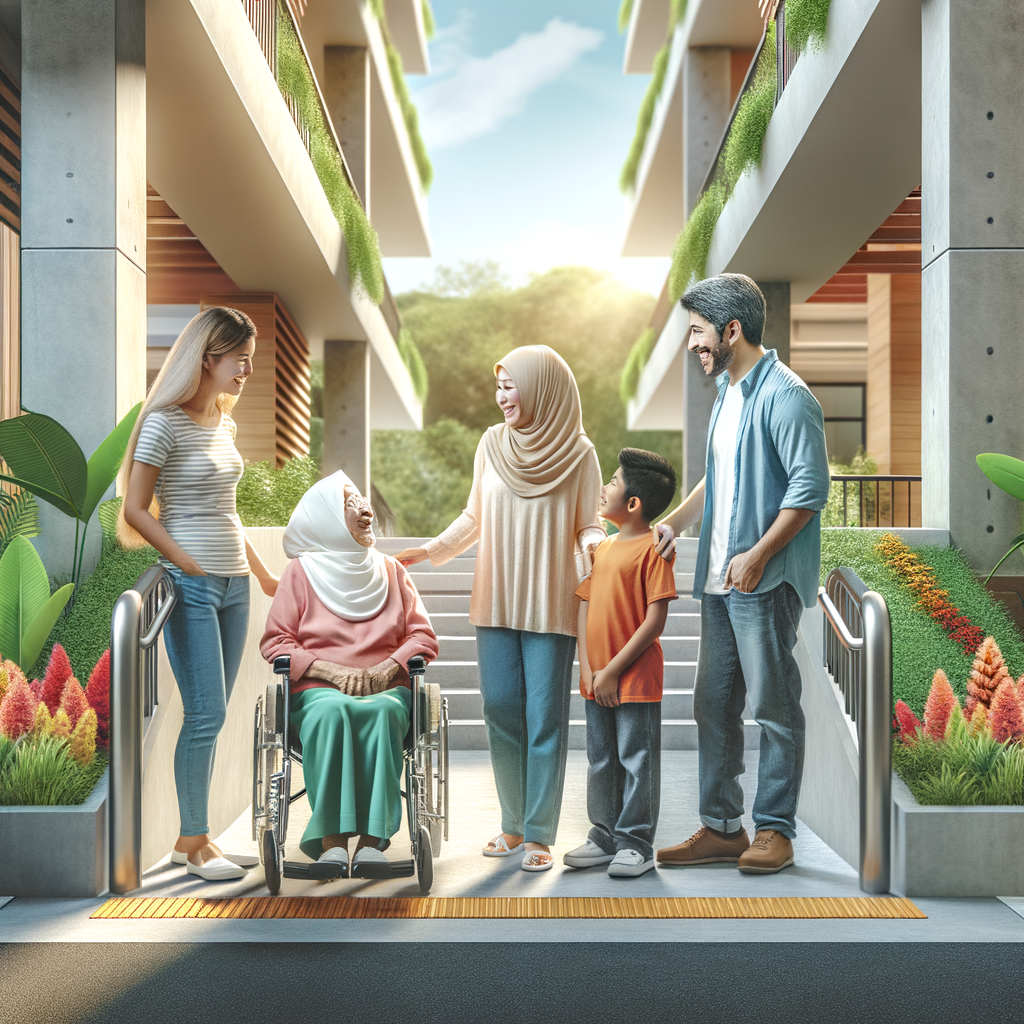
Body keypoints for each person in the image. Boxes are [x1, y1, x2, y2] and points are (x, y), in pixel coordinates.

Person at [396, 345, 604, 872]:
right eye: (499, 387)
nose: (502, 397)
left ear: (542, 388)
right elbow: (475, 515)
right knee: (501, 710)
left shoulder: (580, 454)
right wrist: (432, 549)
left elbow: (588, 524)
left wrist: (596, 549)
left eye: (511, 386)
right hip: (496, 598)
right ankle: (512, 825)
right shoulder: (491, 443)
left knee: (545, 719)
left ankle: (538, 834)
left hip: (551, 601)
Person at [653, 274, 830, 875]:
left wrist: (757, 556)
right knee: (712, 704)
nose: (692, 345)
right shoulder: (728, 393)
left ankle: (775, 829)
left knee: (774, 707)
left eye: (698, 332)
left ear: (732, 330)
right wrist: (676, 523)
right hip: (718, 582)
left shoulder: (787, 396)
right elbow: (719, 473)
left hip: (762, 582)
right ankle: (723, 828)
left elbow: (809, 490)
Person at [119, 307, 280, 882]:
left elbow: (228, 512)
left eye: (251, 360)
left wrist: (263, 574)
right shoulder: (163, 424)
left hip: (234, 586)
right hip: (191, 585)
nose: (247, 371)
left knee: (215, 714)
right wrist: (185, 563)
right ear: (208, 357)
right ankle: (194, 842)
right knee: (205, 712)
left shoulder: (223, 424)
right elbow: (135, 509)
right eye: (240, 359)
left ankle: (196, 838)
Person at [261, 471, 439, 874]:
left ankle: (374, 842)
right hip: (318, 690)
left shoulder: (392, 570)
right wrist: (330, 672)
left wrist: (386, 669)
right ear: (326, 516)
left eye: (363, 500)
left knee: (384, 712)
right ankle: (333, 842)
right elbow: (277, 641)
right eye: (349, 502)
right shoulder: (300, 573)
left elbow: (422, 636)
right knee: (331, 712)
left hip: (385, 687)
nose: (366, 509)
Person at [564, 448, 678, 878]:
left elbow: (655, 620)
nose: (603, 488)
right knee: (601, 759)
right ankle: (604, 836)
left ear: (632, 503)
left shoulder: (654, 550)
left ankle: (636, 844)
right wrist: (587, 669)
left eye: (611, 482)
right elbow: (584, 604)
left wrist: (613, 670)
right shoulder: (604, 548)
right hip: (597, 680)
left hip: (635, 681)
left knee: (636, 760)